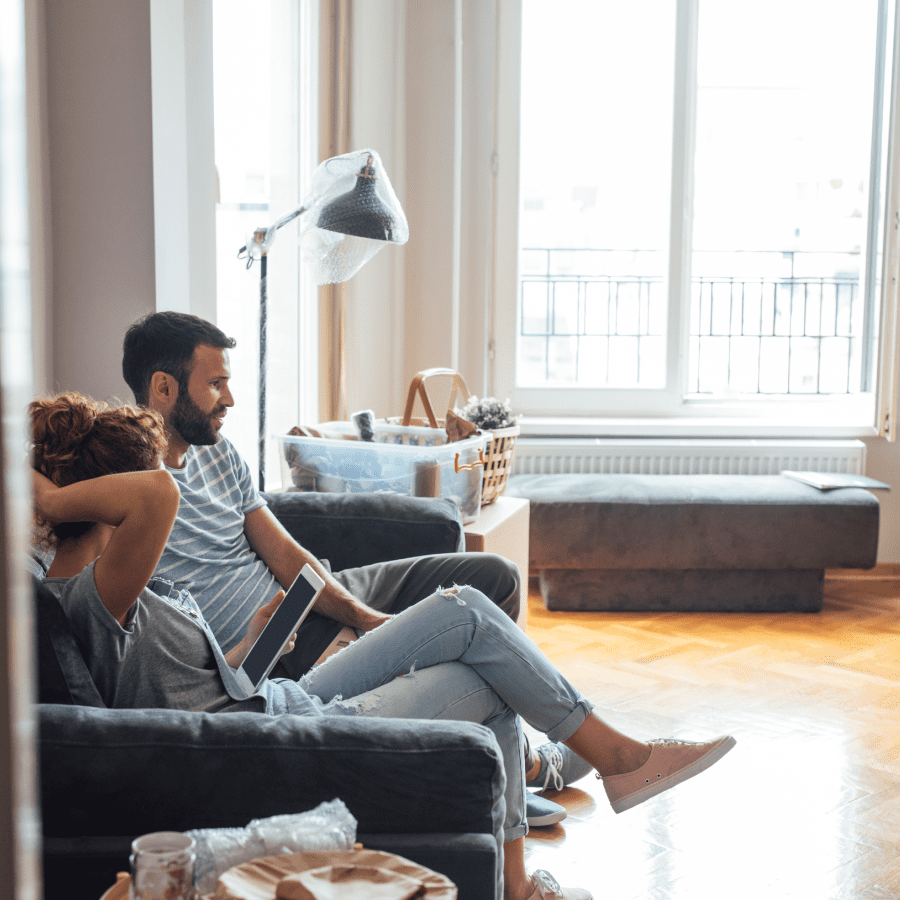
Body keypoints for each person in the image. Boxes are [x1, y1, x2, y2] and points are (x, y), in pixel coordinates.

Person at [32, 391, 736, 900]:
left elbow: (195, 689)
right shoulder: (88, 595)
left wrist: (251, 642)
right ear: (101, 501)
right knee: (481, 660)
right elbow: (156, 494)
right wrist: (50, 498)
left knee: (468, 613)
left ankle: (571, 812)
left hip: (276, 696)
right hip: (282, 733)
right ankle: (609, 773)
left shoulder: (110, 591)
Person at [120, 310, 589, 822]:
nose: (229, 400)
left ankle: (508, 765)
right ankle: (521, 769)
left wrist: (359, 614)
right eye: (215, 384)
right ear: (163, 388)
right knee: (452, 642)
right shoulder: (127, 490)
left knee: (492, 575)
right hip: (273, 647)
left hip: (303, 595)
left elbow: (286, 556)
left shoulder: (218, 452)